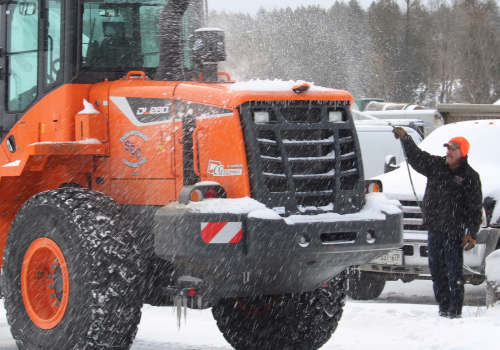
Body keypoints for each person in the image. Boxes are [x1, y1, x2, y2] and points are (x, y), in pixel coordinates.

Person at [393, 127, 482, 319]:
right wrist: (406, 139)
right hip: (434, 229)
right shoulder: (436, 165)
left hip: (454, 232)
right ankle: (443, 309)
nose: (448, 152)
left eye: (453, 149)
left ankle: (455, 312)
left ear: (462, 153)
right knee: (437, 272)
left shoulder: (470, 177)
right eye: (448, 148)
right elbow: (417, 157)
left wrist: (471, 233)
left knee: (454, 275)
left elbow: (474, 208)